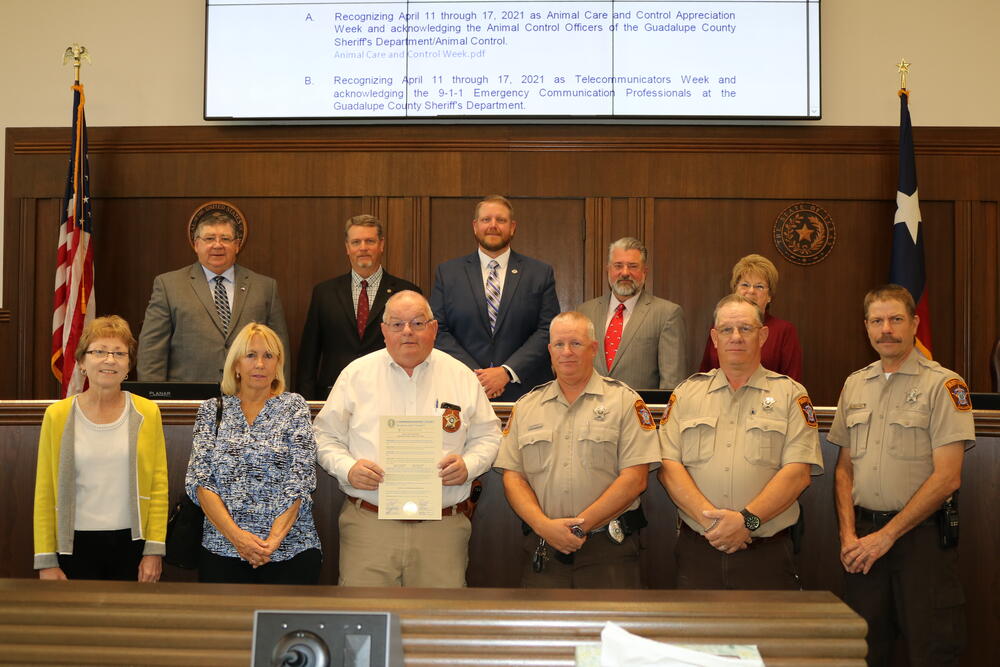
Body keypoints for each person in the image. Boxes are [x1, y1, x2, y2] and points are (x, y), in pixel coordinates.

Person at [828, 285, 974, 666]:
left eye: (895, 319)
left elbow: (948, 478)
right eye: (877, 321)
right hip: (862, 545)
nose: (886, 329)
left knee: (932, 650)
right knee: (861, 651)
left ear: (914, 323)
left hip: (920, 542)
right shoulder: (855, 384)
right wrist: (848, 535)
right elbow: (844, 470)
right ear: (866, 327)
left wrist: (887, 536)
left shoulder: (944, 385)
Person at [314, 291, 501, 587]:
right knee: (365, 625)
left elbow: (489, 436)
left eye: (417, 323)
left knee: (438, 626)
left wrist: (469, 464)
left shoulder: (461, 376)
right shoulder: (356, 375)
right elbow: (324, 436)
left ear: (434, 328)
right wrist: (347, 468)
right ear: (384, 330)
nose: (408, 332)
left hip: (442, 530)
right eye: (397, 324)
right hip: (370, 528)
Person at [659, 294, 822, 589]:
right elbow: (669, 468)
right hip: (698, 552)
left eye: (745, 329)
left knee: (766, 637)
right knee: (696, 636)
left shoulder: (791, 396)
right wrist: (714, 525)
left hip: (766, 554)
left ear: (762, 336)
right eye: (727, 330)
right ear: (714, 338)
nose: (736, 337)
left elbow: (798, 474)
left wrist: (746, 522)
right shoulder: (686, 395)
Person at [494, 311, 661, 588]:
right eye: (559, 345)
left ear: (593, 349)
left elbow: (635, 478)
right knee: (544, 631)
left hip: (608, 550)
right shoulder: (527, 407)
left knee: (611, 631)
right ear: (549, 351)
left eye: (576, 344)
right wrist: (544, 527)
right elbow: (513, 478)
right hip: (544, 547)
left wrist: (578, 527)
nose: (566, 352)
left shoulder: (624, 401)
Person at [33, 315, 168, 582]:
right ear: (82, 362)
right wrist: (46, 559)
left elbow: (158, 485)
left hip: (132, 543)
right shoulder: (57, 415)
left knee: (126, 623)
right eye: (99, 352)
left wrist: (154, 550)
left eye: (119, 353)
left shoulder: (147, 412)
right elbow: (45, 491)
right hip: (72, 546)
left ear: (129, 364)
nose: (109, 360)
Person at [185, 322, 321, 584]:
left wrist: (271, 543)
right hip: (222, 551)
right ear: (236, 365)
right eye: (251, 355)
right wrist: (239, 539)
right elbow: (200, 481)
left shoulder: (294, 407)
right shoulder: (212, 410)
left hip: (291, 552)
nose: (260, 364)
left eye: (268, 356)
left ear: (277, 364)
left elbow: (301, 480)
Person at [137, 208, 291, 383]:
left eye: (225, 239)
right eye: (209, 238)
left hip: (250, 398)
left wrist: (279, 397)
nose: (217, 245)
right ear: (196, 245)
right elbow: (152, 350)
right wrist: (156, 400)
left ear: (237, 245)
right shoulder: (169, 286)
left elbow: (279, 348)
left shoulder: (264, 287)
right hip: (189, 399)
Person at [430, 195, 560, 401]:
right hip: (463, 389)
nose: (493, 226)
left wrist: (506, 372)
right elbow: (438, 329)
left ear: (512, 227)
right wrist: (477, 376)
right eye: (486, 220)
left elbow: (548, 330)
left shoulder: (539, 273)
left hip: (525, 392)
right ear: (475, 226)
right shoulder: (448, 273)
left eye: (501, 220)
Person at [297, 214, 420, 400]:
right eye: (356, 242)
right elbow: (309, 356)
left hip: (391, 394)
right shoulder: (324, 293)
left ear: (381, 244)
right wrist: (305, 403)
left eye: (369, 241)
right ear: (347, 247)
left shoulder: (406, 292)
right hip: (334, 395)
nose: (363, 248)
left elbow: (417, 349)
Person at [577, 237, 687, 390]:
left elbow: (671, 382)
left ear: (644, 272)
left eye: (633, 266)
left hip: (640, 411)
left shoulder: (667, 314)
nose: (625, 273)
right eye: (618, 266)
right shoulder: (585, 312)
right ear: (608, 269)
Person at [699, 254, 802, 381]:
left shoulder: (784, 331)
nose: (751, 291)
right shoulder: (721, 325)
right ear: (735, 290)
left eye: (759, 286)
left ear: (769, 296)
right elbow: (705, 375)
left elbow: (792, 383)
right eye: (745, 285)